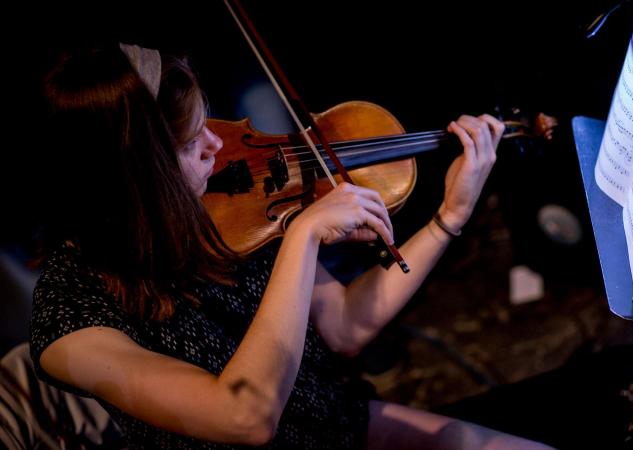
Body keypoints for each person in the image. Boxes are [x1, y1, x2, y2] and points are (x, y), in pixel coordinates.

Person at [29, 43, 556, 449]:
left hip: (338, 425)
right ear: (135, 177)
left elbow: (346, 325)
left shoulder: (205, 208)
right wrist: (302, 236)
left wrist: (451, 215)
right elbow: (246, 417)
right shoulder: (72, 325)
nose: (216, 144)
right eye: (192, 143)